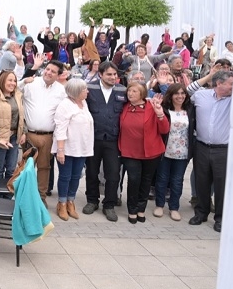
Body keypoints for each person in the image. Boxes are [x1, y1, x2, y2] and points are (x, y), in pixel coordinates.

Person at [187, 69, 233, 232]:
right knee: (202, 181)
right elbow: (187, 90)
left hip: (223, 149)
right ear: (219, 83)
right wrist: (209, 76)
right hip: (201, 147)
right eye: (231, 84)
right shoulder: (201, 95)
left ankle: (220, 218)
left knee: (221, 184)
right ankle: (201, 212)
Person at [118, 82, 169, 224]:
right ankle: (132, 209)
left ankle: (141, 208)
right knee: (134, 180)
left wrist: (160, 114)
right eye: (129, 91)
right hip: (129, 151)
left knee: (146, 181)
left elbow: (164, 130)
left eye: (134, 91)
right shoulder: (124, 107)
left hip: (150, 152)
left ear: (142, 94)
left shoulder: (152, 107)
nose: (130, 93)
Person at [19, 60, 67, 205]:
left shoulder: (61, 91)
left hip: (48, 137)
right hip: (29, 134)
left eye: (53, 71)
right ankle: (24, 197)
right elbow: (15, 89)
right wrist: (25, 79)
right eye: (47, 69)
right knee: (26, 168)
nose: (49, 73)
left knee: (44, 168)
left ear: (58, 75)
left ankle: (41, 198)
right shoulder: (32, 83)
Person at [84, 61, 127, 221]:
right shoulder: (89, 88)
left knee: (113, 174)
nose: (113, 77)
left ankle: (109, 204)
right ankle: (92, 200)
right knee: (92, 171)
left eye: (115, 74)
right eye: (109, 74)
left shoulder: (123, 90)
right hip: (93, 138)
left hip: (113, 140)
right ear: (100, 74)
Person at [53, 79, 94, 221]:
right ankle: (62, 203)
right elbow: (60, 128)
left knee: (76, 176)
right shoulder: (65, 105)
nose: (87, 91)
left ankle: (71, 201)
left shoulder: (84, 103)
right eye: (84, 90)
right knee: (65, 176)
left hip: (81, 148)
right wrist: (60, 150)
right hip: (67, 148)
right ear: (76, 92)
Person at [152, 83, 194, 221]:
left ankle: (174, 207)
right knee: (162, 178)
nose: (180, 96)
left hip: (183, 152)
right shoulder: (164, 110)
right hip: (165, 150)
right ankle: (159, 205)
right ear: (171, 95)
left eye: (183, 93)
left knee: (177, 181)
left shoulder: (190, 109)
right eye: (177, 93)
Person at [0, 70, 25, 179]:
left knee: (11, 169)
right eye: (10, 80)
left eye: (15, 81)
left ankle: (7, 195)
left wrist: (23, 132)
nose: (13, 83)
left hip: (14, 137)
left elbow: (22, 115)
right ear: (2, 81)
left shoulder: (18, 96)